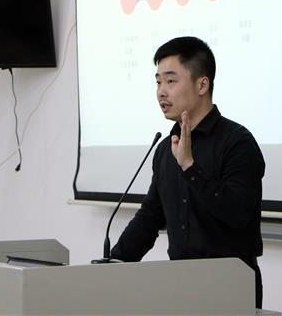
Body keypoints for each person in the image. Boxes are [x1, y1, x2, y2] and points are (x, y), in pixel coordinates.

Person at [111, 36, 265, 308]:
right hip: (179, 284)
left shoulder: (237, 142)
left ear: (202, 85)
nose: (161, 92)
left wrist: (190, 168)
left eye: (171, 81)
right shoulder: (165, 149)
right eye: (158, 82)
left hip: (230, 287)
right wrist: (112, 265)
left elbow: (238, 213)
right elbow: (150, 218)